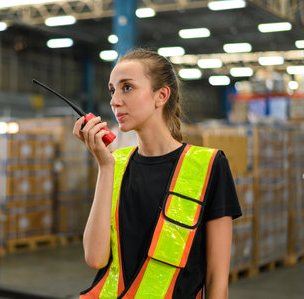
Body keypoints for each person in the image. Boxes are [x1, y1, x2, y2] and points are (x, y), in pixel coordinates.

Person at [73, 48, 242, 299]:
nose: (114, 100)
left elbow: (217, 280)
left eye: (127, 87)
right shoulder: (114, 164)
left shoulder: (208, 166)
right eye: (112, 90)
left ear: (161, 95)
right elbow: (95, 258)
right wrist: (104, 167)